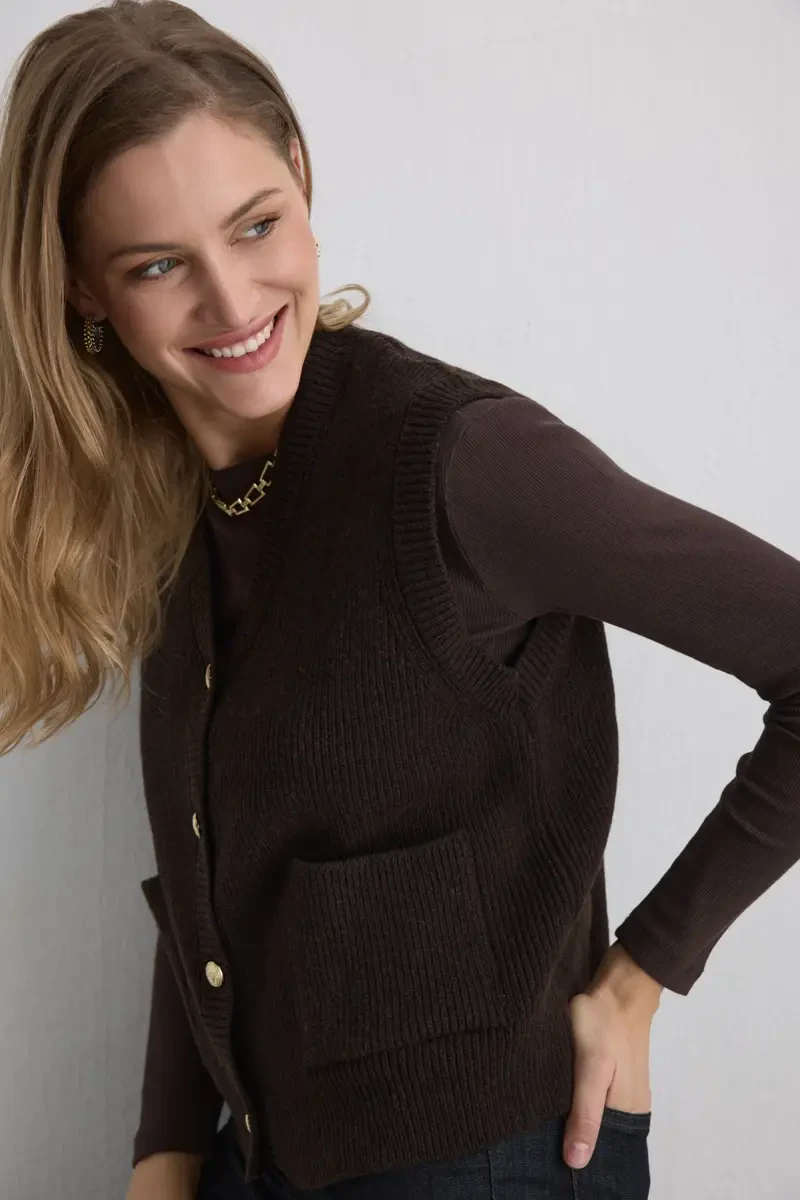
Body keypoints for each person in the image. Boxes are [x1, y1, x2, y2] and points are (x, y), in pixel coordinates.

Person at [0, 1, 798, 1197]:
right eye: (158, 265)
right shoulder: (170, 507)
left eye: (256, 224)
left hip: (488, 1158)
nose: (233, 301)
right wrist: (165, 1153)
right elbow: (216, 870)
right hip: (257, 1158)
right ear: (79, 288)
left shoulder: (458, 464)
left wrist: (642, 974)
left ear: (301, 176)